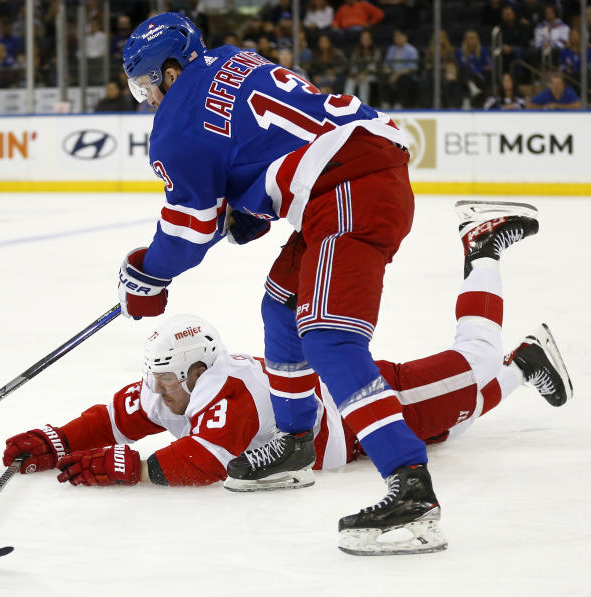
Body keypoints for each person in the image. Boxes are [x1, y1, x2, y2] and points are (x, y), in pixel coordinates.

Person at [112, 13, 512, 555]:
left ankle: (411, 492)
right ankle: (295, 443)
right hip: (353, 170)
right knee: (282, 302)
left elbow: (188, 232)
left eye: (146, 86)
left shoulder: (176, 125)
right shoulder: (230, 59)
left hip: (348, 187)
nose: (149, 100)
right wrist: (249, 210)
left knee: (329, 337)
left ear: (171, 69)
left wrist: (146, 274)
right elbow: (273, 141)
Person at [6, 200, 570, 548]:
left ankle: (483, 244)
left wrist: (126, 465)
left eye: (164, 378)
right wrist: (56, 441)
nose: (155, 389)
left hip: (373, 402)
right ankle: (527, 360)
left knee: (472, 365)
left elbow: (205, 461)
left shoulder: (229, 394)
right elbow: (115, 415)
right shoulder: (173, 387)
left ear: (196, 369)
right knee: (455, 425)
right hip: (352, 443)